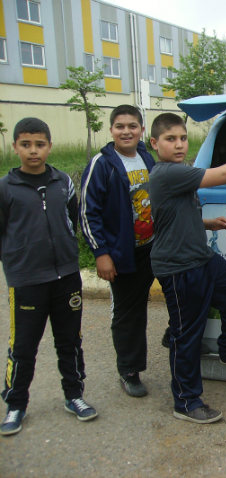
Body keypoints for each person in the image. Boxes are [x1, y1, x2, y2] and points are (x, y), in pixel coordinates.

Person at [148, 113, 226, 424]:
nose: (178, 144)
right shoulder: (165, 173)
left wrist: (205, 223)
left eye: (183, 138)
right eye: (170, 139)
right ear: (154, 143)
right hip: (179, 268)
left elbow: (172, 216)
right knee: (186, 335)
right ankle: (186, 402)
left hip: (200, 257)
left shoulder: (178, 172)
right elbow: (225, 175)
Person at [0, 118, 98, 436]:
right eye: (26, 144)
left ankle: (74, 396)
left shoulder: (62, 182)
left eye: (39, 144)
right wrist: (16, 264)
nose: (33, 151)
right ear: (15, 146)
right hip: (27, 281)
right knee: (24, 346)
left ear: (49, 147)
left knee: (69, 341)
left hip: (66, 276)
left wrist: (70, 252)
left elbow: (73, 218)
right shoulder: (5, 188)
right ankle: (16, 404)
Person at [80, 105, 156, 397]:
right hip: (122, 254)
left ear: (141, 130)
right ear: (111, 130)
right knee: (129, 314)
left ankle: (181, 345)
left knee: (184, 289)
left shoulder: (146, 158)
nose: (127, 131)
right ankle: (129, 371)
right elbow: (88, 213)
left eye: (133, 126)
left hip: (151, 247)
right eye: (120, 126)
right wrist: (101, 253)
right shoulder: (102, 164)